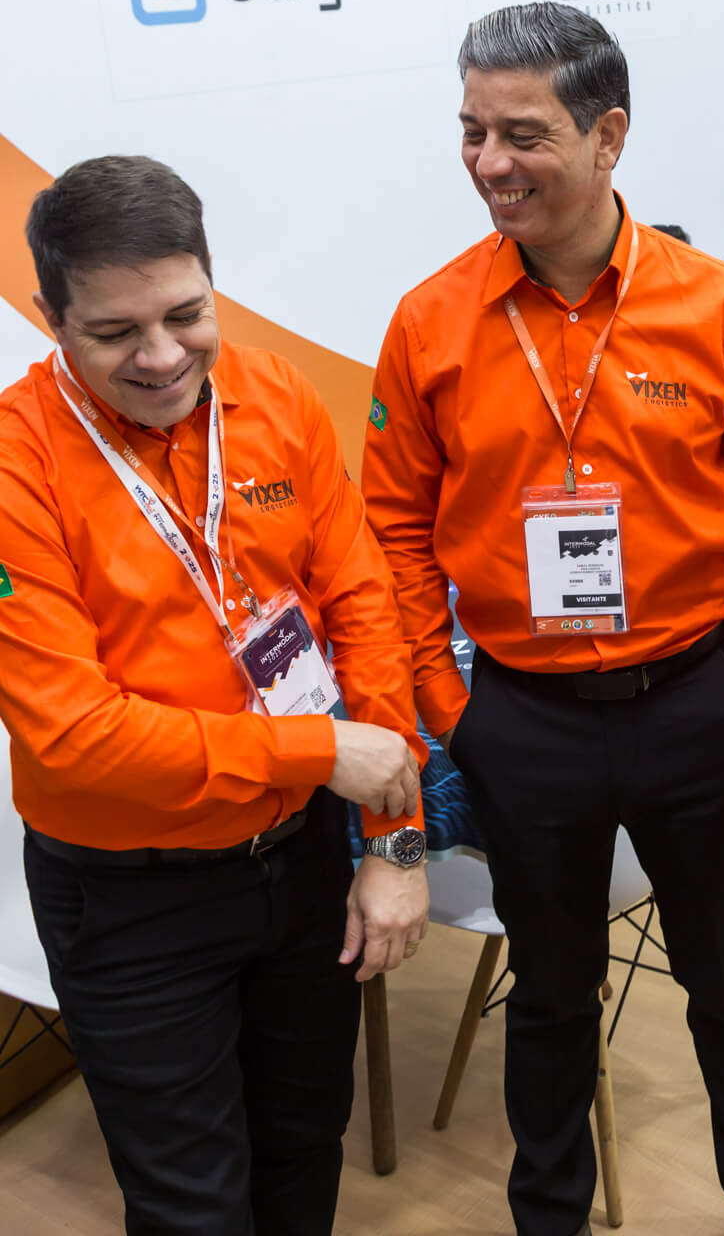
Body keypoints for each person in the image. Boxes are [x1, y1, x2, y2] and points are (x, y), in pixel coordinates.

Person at [363, 2, 724, 1236]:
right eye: (472, 132)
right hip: (522, 721)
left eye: (523, 134)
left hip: (695, 704)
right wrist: (447, 702)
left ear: (608, 136)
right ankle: (548, 1218)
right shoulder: (429, 321)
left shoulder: (715, 308)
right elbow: (393, 528)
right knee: (551, 995)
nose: (489, 163)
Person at [0, 155, 430, 1236]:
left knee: (304, 1150)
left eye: (187, 315)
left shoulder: (274, 394)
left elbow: (363, 606)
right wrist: (318, 755)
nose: (161, 357)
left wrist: (394, 845)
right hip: (131, 898)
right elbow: (74, 734)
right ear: (51, 318)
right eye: (115, 333)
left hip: (299, 864)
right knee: (191, 1204)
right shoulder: (15, 461)